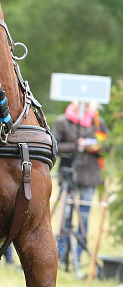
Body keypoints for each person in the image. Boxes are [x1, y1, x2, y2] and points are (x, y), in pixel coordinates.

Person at [53, 100, 109, 272]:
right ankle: (60, 258)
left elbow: (107, 146)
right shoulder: (63, 121)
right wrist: (75, 146)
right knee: (65, 218)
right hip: (69, 174)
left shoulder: (98, 122)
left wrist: (94, 147)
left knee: (84, 218)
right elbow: (54, 145)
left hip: (90, 177)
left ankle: (77, 257)